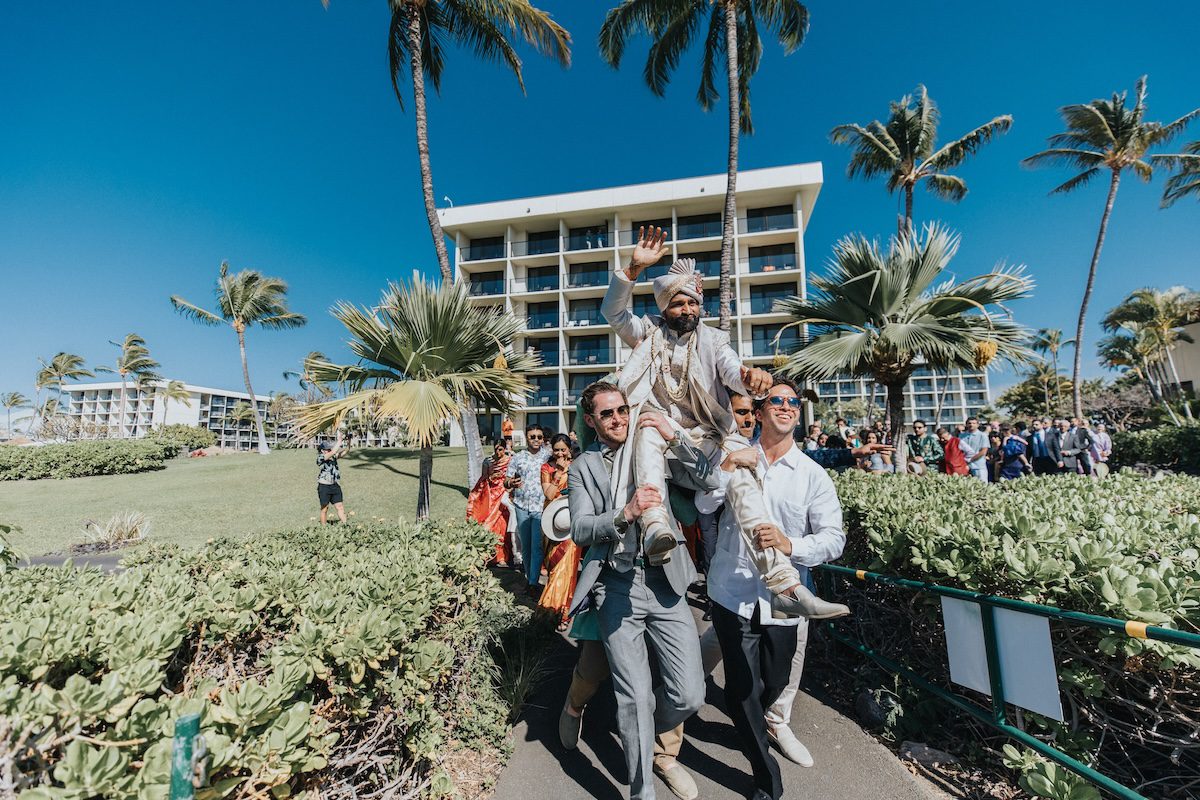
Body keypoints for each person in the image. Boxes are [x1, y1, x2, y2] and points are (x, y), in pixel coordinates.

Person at [603, 226, 845, 620]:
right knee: (647, 425)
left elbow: (733, 370)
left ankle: (784, 582)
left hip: (710, 443)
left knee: (745, 479)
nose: (687, 310)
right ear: (665, 308)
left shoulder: (714, 340)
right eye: (678, 304)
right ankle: (654, 525)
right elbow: (614, 312)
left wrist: (749, 379)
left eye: (692, 303)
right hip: (662, 444)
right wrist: (632, 269)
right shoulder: (647, 333)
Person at [696, 378, 847, 800]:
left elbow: (834, 538)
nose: (786, 406)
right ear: (759, 412)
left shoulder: (812, 475)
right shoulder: (735, 456)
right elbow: (704, 507)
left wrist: (790, 543)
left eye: (793, 402)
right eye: (776, 400)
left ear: (798, 414)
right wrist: (725, 470)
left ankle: (758, 727)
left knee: (774, 681)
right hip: (733, 592)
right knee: (742, 688)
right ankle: (766, 777)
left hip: (784, 599)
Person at [566, 381, 714, 800]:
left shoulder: (654, 446)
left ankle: (652, 742)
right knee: (633, 699)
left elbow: (708, 478)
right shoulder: (582, 467)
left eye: (622, 410)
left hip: (666, 582)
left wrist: (675, 436)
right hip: (616, 586)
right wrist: (625, 513)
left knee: (689, 693)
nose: (618, 419)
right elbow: (578, 528)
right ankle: (641, 790)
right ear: (592, 421)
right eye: (607, 414)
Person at [506, 424, 551, 595]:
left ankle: (532, 582)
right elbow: (506, 480)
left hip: (540, 507)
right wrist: (511, 483)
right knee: (526, 545)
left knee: (537, 546)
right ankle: (529, 577)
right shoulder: (518, 457)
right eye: (532, 436)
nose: (536, 440)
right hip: (521, 506)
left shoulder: (548, 457)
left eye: (539, 437)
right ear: (526, 437)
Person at [539, 434, 578, 630]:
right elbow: (549, 494)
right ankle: (551, 606)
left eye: (563, 449)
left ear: (569, 448)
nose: (560, 453)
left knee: (568, 568)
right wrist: (558, 473)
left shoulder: (577, 466)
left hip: (570, 522)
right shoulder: (547, 468)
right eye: (557, 450)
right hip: (552, 522)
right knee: (553, 567)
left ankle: (562, 611)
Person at [467, 440, 513, 566]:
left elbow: (511, 478)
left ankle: (504, 556)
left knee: (503, 524)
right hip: (491, 496)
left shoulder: (509, 460)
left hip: (503, 494)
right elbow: (483, 479)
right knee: (489, 524)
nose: (498, 452)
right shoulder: (488, 461)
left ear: (504, 449)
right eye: (496, 449)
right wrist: (490, 477)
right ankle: (491, 556)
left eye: (501, 450)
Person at [317, 438, 348, 524]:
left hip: (334, 485)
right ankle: (323, 529)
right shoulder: (321, 458)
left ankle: (345, 525)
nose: (329, 450)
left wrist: (349, 442)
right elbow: (334, 452)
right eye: (327, 449)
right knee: (324, 508)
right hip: (324, 486)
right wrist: (340, 440)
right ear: (322, 450)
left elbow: (345, 452)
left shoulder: (332, 457)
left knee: (340, 506)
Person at [958, 417, 989, 482]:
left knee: (982, 485)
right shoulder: (961, 436)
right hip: (964, 465)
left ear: (977, 425)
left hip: (978, 466)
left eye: (974, 423)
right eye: (969, 423)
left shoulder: (983, 435)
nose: (971, 425)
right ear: (966, 424)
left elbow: (983, 451)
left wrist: (971, 459)